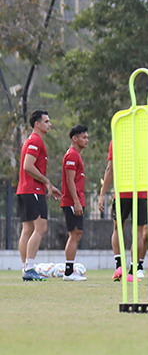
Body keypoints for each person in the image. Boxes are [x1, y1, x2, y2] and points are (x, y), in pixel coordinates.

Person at [17, 109, 62, 280]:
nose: (49, 124)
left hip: (25, 190)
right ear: (37, 124)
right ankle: (29, 268)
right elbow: (28, 166)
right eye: (47, 121)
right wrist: (46, 181)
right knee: (41, 228)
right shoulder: (36, 140)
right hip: (32, 190)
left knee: (27, 229)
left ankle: (25, 269)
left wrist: (48, 184)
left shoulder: (31, 140)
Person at [99, 139, 148, 283]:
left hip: (122, 192)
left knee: (117, 229)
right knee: (138, 233)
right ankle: (133, 272)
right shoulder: (145, 141)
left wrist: (102, 194)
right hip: (141, 193)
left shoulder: (116, 140)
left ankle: (119, 267)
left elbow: (110, 169)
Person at [60, 125, 90, 281]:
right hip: (72, 201)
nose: (87, 140)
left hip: (76, 200)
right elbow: (69, 180)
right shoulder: (72, 155)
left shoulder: (76, 155)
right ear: (74, 138)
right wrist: (76, 202)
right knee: (74, 234)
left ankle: (69, 271)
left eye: (87, 137)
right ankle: (68, 272)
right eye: (83, 137)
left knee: (77, 234)